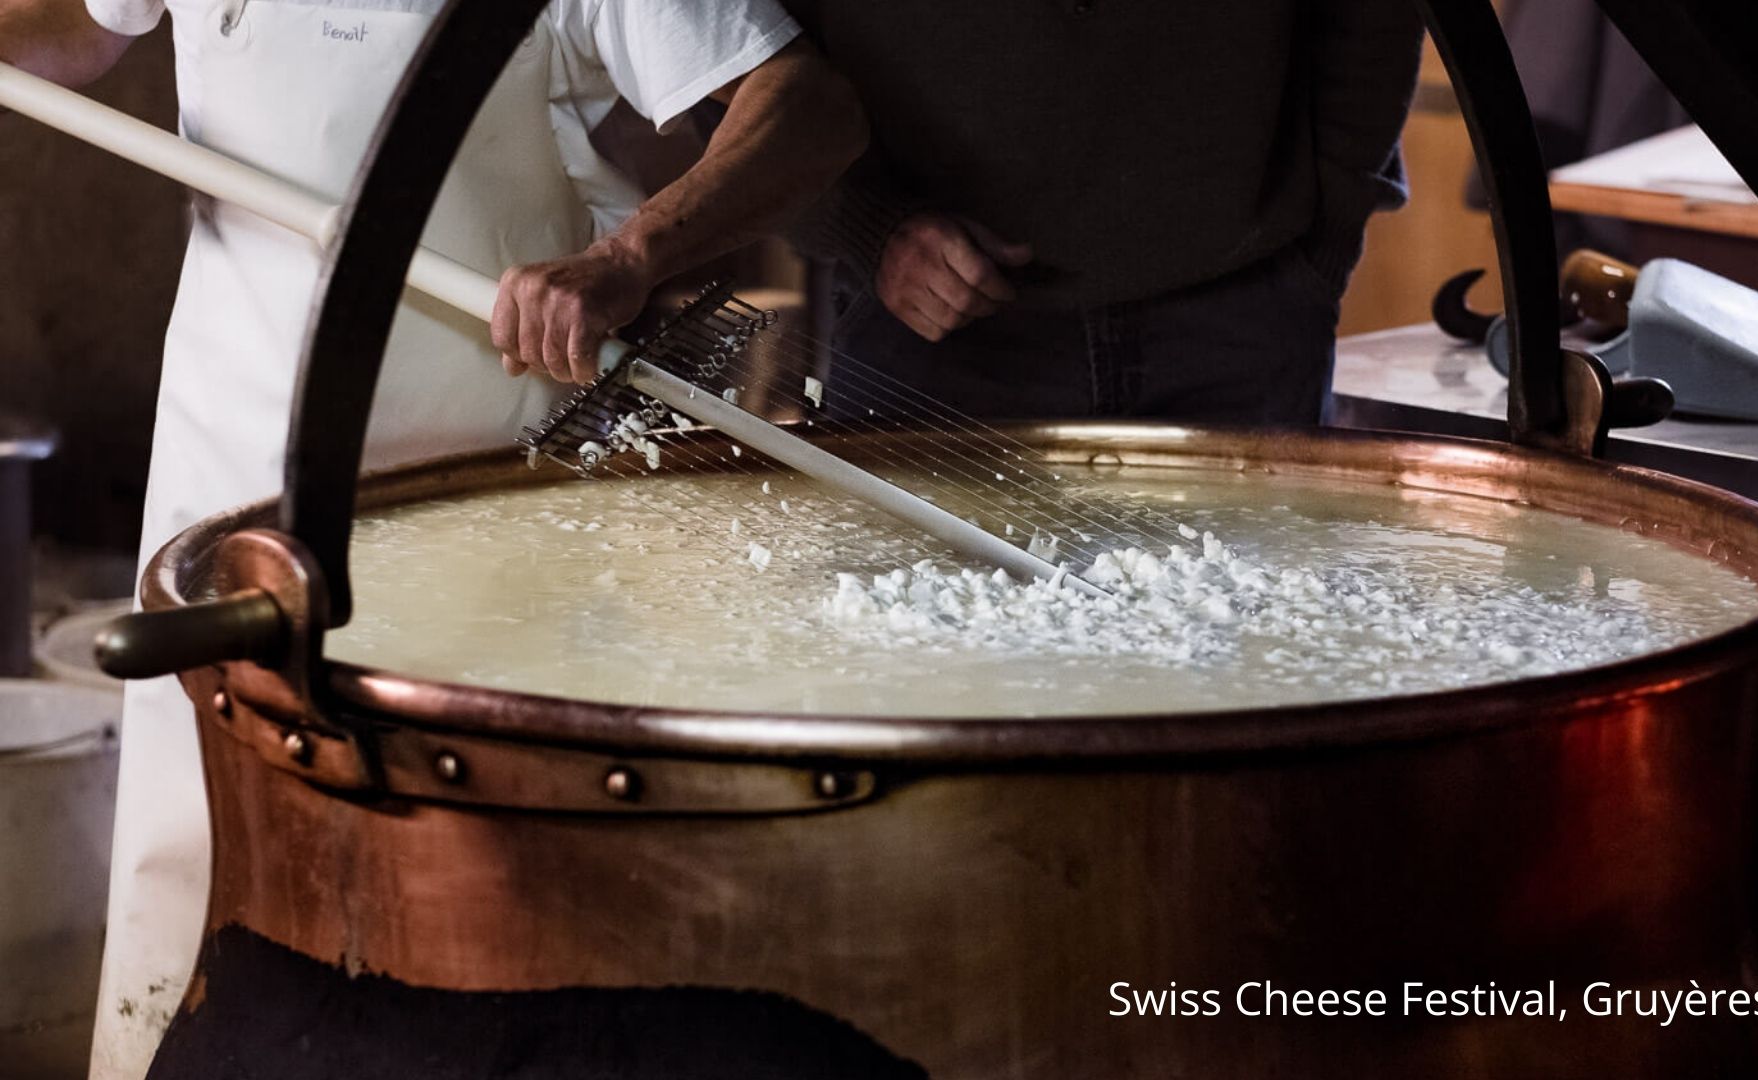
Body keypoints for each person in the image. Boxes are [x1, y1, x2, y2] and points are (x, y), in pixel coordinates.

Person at [0, 1, 865, 1076]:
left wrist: (626, 258)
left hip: (462, 502)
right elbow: (80, 28)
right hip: (223, 455)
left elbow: (807, 107)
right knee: (197, 870)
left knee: (451, 911)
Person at [782, 0, 1423, 426]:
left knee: (1270, 630)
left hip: (1245, 311)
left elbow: (1372, 17)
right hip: (932, 326)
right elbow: (725, 43)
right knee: (907, 632)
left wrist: (1331, 231)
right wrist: (866, 223)